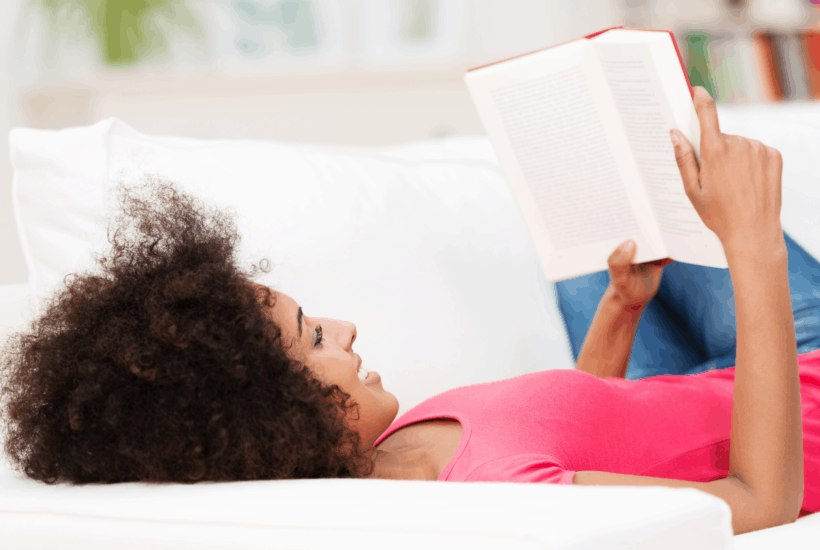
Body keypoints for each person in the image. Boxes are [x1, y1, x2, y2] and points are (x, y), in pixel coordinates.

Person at [1, 88, 817, 536]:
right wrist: (754, 252)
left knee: (611, 168)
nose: (347, 329)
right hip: (797, 386)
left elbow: (580, 423)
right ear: (273, 418)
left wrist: (619, 311)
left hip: (719, 377)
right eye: (313, 337)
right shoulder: (500, 499)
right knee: (705, 166)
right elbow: (761, 500)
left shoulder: (392, 446)